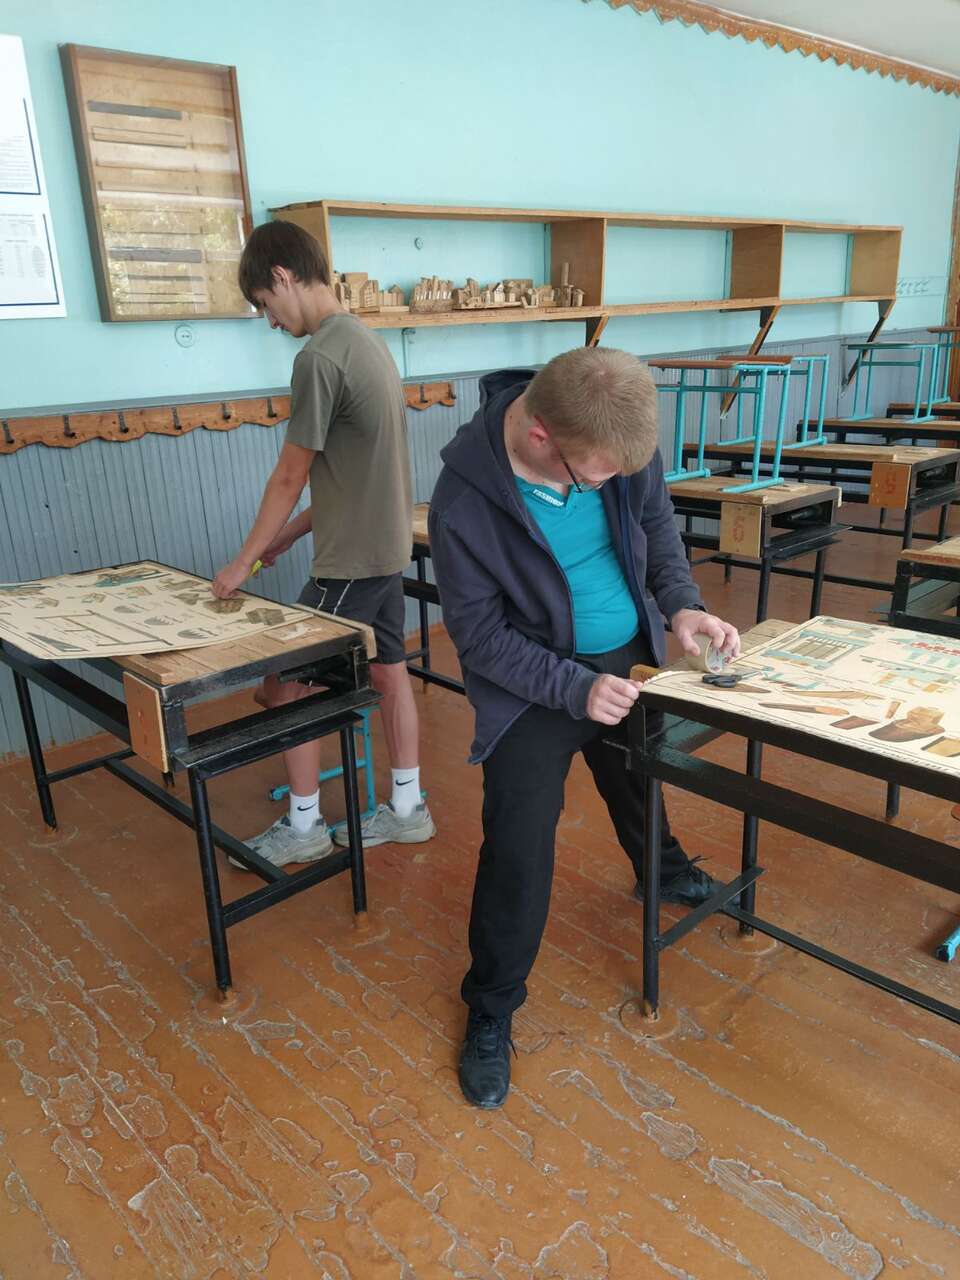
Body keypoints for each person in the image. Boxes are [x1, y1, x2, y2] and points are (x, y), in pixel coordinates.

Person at [428, 347, 739, 1109]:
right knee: (518, 844)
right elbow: (480, 639)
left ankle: (662, 871)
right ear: (541, 435)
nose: (607, 485)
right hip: (531, 681)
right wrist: (573, 687)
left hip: (624, 655)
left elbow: (656, 530)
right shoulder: (465, 502)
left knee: (638, 777)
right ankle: (491, 1006)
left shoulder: (616, 438)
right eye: (594, 478)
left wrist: (682, 606)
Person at [212, 220, 435, 866]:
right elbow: (354, 476)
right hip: (385, 550)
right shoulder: (366, 342)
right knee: (389, 673)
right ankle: (407, 810)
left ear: (283, 277)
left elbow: (291, 474)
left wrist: (242, 563)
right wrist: (285, 536)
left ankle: (304, 826)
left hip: (351, 564)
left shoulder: (318, 358)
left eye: (265, 303)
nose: (270, 320)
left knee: (286, 689)